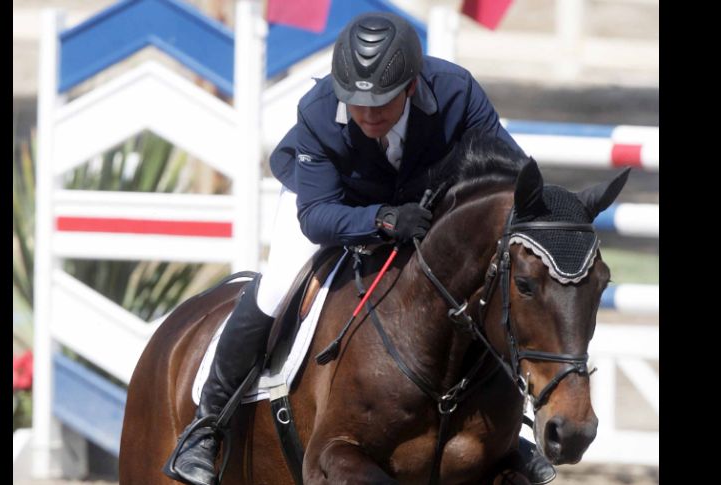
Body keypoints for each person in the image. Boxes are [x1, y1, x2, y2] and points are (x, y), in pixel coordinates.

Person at [163, 11, 555, 485]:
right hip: (330, 202)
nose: (367, 115)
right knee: (275, 287)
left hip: (420, 203)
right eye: (357, 103)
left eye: (381, 103)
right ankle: (206, 425)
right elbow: (316, 216)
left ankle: (507, 434)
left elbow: (507, 177)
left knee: (479, 284)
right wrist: (382, 220)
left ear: (411, 87)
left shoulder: (456, 92)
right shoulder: (318, 111)